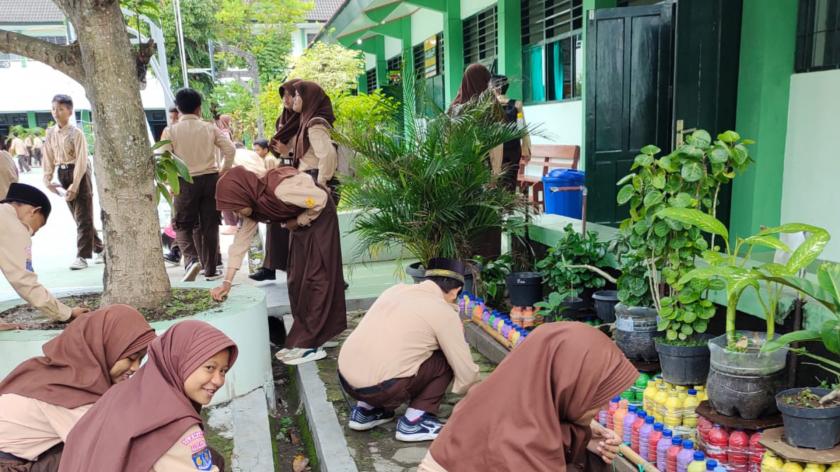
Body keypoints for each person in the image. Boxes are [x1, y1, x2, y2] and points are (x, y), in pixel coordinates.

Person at [417, 322, 638, 472]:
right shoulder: (518, 445)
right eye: (597, 394)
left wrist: (584, 437)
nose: (606, 404)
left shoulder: (517, 395)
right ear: (568, 385)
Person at [58, 320, 236, 472]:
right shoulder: (177, 425)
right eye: (210, 368)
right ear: (180, 361)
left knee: (215, 457)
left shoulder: (119, 393)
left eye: (223, 371)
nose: (218, 380)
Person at [211, 166, 346, 365]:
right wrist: (227, 282)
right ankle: (306, 338)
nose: (235, 212)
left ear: (243, 194)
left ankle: (311, 346)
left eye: (235, 206)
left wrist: (299, 220)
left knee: (317, 279)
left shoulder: (281, 190)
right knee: (297, 281)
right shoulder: (252, 204)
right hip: (300, 228)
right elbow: (239, 243)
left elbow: (320, 199)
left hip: (319, 221)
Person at [337, 258, 480, 443]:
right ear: (456, 291)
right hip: (384, 388)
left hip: (346, 380)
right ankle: (414, 421)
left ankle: (366, 410)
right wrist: (480, 392)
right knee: (445, 358)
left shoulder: (395, 290)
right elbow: (464, 368)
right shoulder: (442, 310)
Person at [0, 305, 156, 471]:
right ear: (105, 348)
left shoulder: (52, 371)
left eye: (141, 359)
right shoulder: (66, 395)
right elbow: (113, 447)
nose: (135, 368)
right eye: (131, 358)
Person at [160, 88, 236, 282]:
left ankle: (192, 260)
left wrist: (170, 181)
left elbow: (164, 159)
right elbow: (230, 149)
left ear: (178, 108)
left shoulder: (171, 130)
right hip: (211, 179)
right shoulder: (209, 127)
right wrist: (223, 171)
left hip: (185, 180)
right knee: (210, 225)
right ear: (199, 108)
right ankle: (211, 269)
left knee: (182, 225)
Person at [0, 183, 89, 323]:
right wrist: (67, 313)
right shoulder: (15, 227)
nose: (32, 234)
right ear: (34, 211)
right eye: (37, 226)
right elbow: (24, 281)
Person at [42, 94, 104, 271]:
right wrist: (47, 180)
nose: (56, 112)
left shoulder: (76, 133)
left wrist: (75, 185)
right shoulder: (51, 133)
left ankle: (82, 256)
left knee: (83, 215)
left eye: (60, 109)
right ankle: (100, 248)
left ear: (69, 111)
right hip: (62, 174)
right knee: (79, 217)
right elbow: (48, 157)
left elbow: (82, 160)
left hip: (80, 173)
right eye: (54, 108)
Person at [252, 80, 302, 283]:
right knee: (274, 216)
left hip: (306, 176)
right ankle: (271, 265)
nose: (287, 100)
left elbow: (309, 152)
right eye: (285, 96)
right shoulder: (284, 119)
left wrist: (287, 153)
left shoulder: (308, 119)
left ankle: (325, 274)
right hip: (288, 172)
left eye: (291, 95)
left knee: (310, 226)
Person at [291, 81, 340, 203]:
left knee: (317, 221)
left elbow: (328, 154)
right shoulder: (308, 122)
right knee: (318, 222)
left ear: (308, 98)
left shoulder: (315, 125)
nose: (294, 99)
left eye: (297, 95)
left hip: (315, 181)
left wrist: (321, 185)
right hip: (311, 180)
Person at [490, 74, 531, 190]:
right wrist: (526, 149)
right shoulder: (517, 104)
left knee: (495, 183)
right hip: (514, 150)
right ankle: (508, 207)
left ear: (495, 88)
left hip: (495, 150)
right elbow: (522, 128)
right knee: (511, 183)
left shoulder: (489, 106)